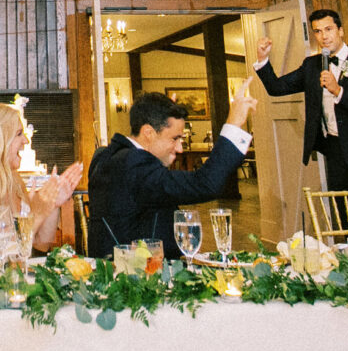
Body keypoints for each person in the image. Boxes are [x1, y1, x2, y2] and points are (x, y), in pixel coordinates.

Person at [255, 8, 348, 248]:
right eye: (317, 31)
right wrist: (262, 60)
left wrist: (339, 92)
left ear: (340, 30)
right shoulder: (312, 66)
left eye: (328, 29)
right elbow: (276, 88)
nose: (324, 36)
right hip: (336, 155)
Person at [86, 83, 258, 259]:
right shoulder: (134, 164)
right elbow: (205, 183)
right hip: (141, 276)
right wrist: (234, 125)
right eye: (174, 138)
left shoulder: (107, 156)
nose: (180, 148)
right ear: (148, 133)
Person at [0, 101, 83, 253]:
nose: (26, 141)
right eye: (19, 134)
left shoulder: (14, 181)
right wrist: (39, 214)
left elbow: (41, 244)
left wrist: (52, 204)